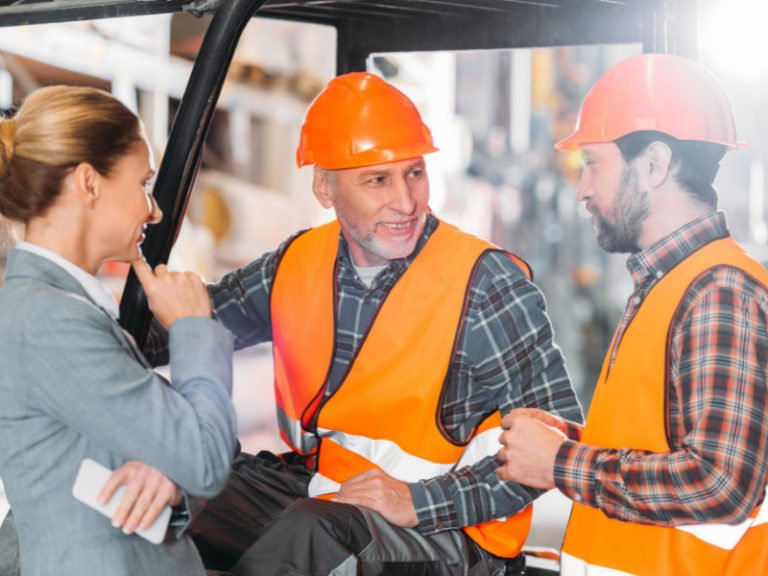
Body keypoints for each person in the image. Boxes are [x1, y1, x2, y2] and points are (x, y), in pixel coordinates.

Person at [144, 71, 583, 576]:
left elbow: (557, 442)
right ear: (324, 187)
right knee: (183, 481)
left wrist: (419, 500)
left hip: (448, 534)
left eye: (415, 173)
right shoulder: (298, 263)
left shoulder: (485, 284)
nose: (406, 202)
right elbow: (189, 323)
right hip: (326, 491)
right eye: (377, 179)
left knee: (312, 534)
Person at [496, 53, 768, 576]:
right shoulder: (671, 284)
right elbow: (672, 448)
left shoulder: (718, 289)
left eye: (593, 164)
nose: (583, 190)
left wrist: (560, 463)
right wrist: (571, 442)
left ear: (653, 165)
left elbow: (721, 483)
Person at [0, 85, 238, 576]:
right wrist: (193, 328)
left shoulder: (61, 307)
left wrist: (167, 468)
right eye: (142, 185)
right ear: (88, 183)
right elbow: (205, 456)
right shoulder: (49, 320)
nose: (154, 210)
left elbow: (181, 449)